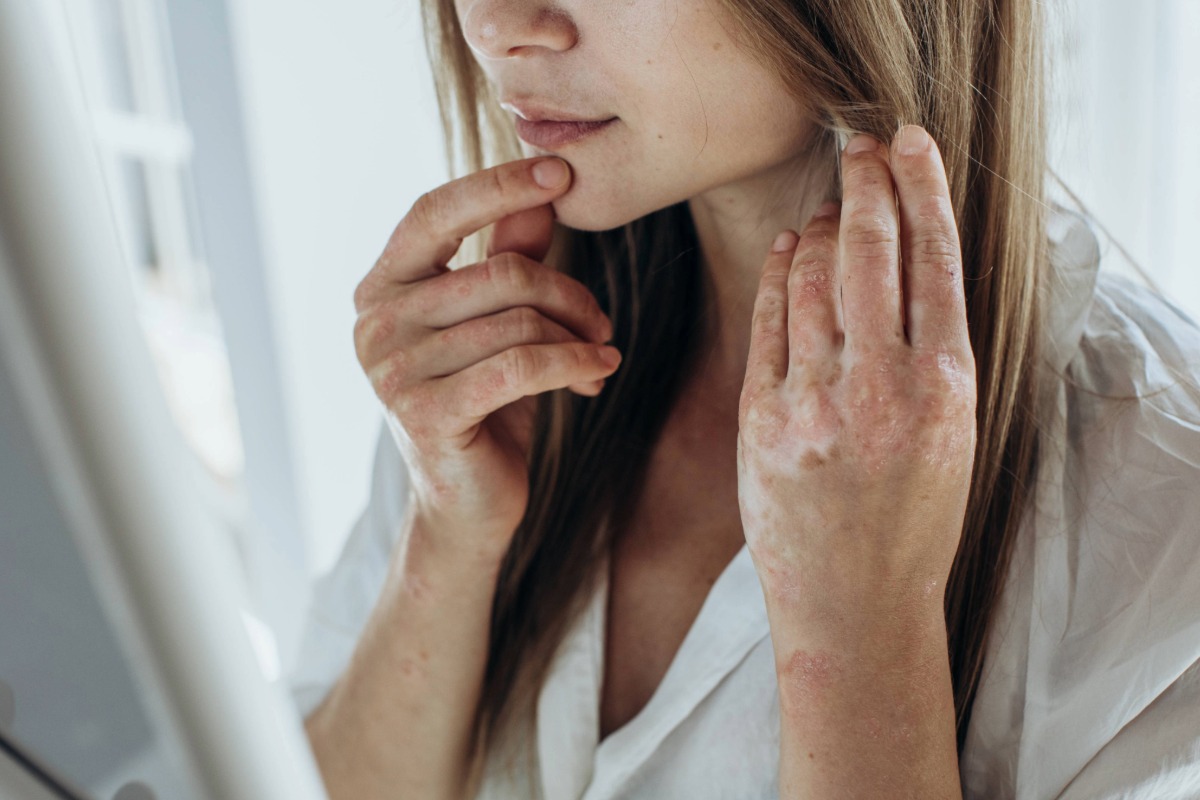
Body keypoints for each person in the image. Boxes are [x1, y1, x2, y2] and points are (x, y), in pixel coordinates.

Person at [286, 0, 1200, 796]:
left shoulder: (1167, 508)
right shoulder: (492, 367)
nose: (489, 24)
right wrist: (450, 534)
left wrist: (860, 634)